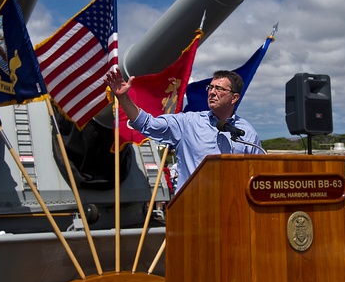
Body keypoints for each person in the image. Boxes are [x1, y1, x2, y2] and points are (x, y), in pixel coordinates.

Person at [105, 68, 264, 190]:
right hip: (191, 209)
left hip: (233, 211)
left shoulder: (247, 133)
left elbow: (259, 175)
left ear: (234, 98)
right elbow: (147, 124)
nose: (212, 92)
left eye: (219, 89)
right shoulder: (187, 122)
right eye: (210, 87)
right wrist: (123, 98)